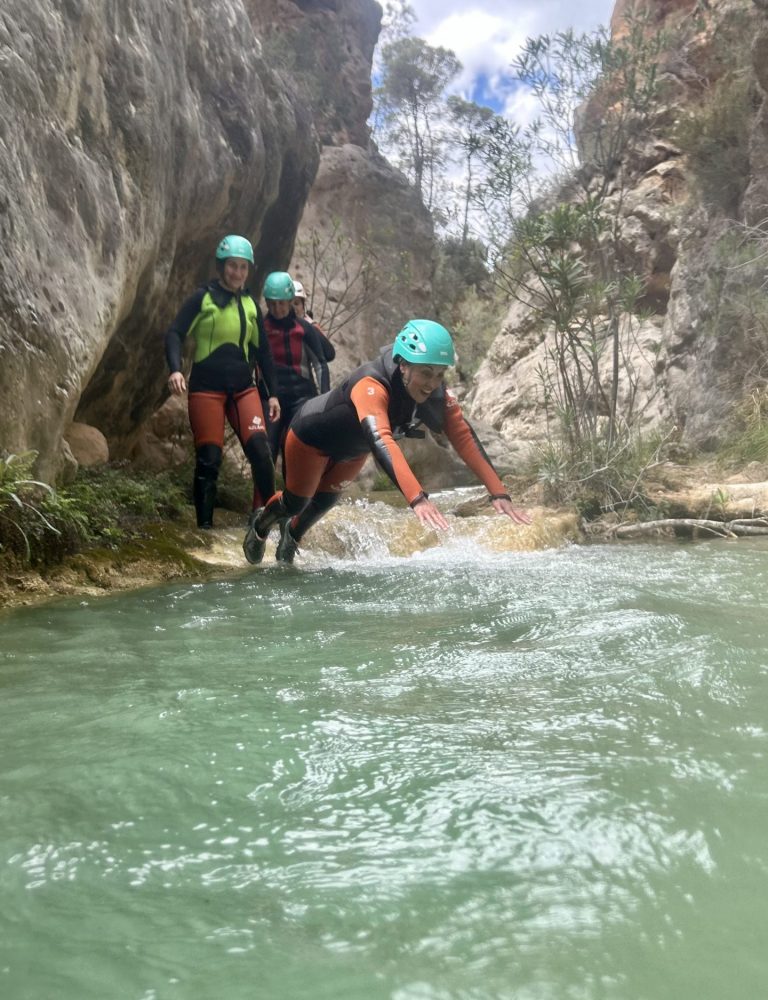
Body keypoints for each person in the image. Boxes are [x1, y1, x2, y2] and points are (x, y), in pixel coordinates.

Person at [242, 319, 531, 564]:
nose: (432, 384)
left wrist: (499, 493)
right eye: (426, 373)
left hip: (352, 451)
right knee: (296, 503)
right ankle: (260, 526)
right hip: (310, 438)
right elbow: (381, 438)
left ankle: (291, 538)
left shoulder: (437, 393)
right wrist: (417, 498)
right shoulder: (370, 384)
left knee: (323, 502)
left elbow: (464, 438)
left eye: (440, 374)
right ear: (403, 365)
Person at [165, 234, 280, 530]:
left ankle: (269, 524)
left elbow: (264, 353)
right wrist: (175, 370)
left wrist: (273, 394)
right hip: (206, 390)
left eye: (243, 267)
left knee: (261, 451)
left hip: (243, 389)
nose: (237, 272)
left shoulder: (251, 304)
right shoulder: (202, 298)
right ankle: (205, 529)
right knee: (209, 459)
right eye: (232, 266)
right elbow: (175, 333)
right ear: (221, 266)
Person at [261, 271, 332, 461]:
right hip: (270, 398)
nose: (277, 309)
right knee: (267, 449)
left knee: (295, 448)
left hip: (301, 397)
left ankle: (295, 483)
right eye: (272, 304)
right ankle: (265, 482)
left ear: (290, 301)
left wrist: (325, 400)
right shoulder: (261, 329)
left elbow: (320, 364)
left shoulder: (304, 328)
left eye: (281, 303)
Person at [291, 279, 336, 364]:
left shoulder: (311, 326)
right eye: (289, 304)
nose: (293, 308)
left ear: (303, 306)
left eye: (296, 303)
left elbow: (328, 354)